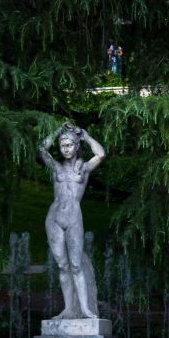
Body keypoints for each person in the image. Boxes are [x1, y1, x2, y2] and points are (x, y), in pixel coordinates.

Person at [39, 122, 106, 319]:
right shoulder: (56, 168)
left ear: (77, 146)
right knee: (63, 266)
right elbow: (42, 149)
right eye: (62, 146)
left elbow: (101, 154)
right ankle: (68, 309)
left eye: (69, 145)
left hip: (74, 218)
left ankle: (85, 309)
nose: (66, 149)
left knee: (76, 265)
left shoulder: (83, 169)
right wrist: (57, 130)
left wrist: (85, 136)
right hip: (54, 218)